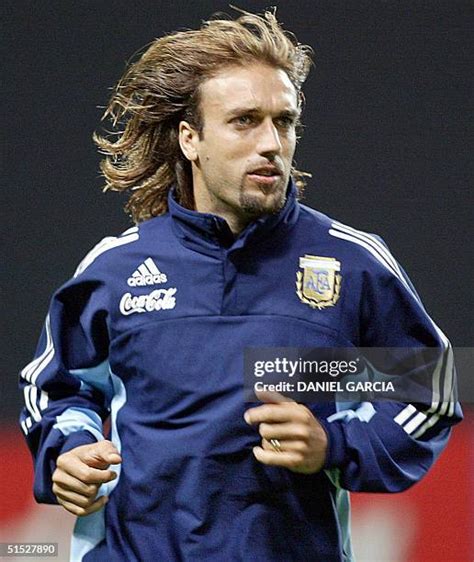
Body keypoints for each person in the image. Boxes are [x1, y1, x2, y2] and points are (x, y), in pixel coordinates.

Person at [19, 9, 462, 562]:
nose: (271, 143)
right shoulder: (116, 269)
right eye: (245, 120)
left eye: (285, 121)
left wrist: (334, 444)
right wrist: (71, 450)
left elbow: (431, 387)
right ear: (190, 139)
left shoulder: (349, 264)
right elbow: (57, 389)